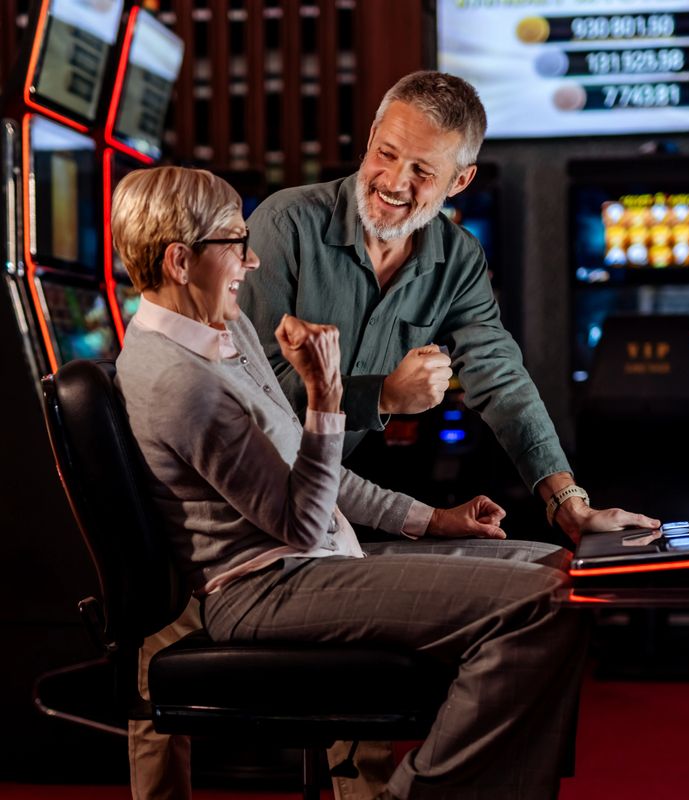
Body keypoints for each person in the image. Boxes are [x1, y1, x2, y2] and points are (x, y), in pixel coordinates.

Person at [236, 70, 660, 797]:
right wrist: (384, 397)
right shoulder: (285, 224)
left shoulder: (457, 260)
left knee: (564, 577)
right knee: (534, 604)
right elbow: (249, 394)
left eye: (422, 170)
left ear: (460, 182)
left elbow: (500, 378)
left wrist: (569, 504)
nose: (394, 181)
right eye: (386, 154)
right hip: (252, 509)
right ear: (369, 140)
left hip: (334, 507)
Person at [113, 165, 591, 800]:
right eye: (236, 242)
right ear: (180, 260)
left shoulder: (229, 332)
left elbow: (318, 474)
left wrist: (430, 519)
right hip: (265, 588)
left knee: (562, 567)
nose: (253, 262)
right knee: (544, 602)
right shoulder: (179, 382)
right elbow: (301, 521)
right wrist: (326, 396)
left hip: (312, 560)